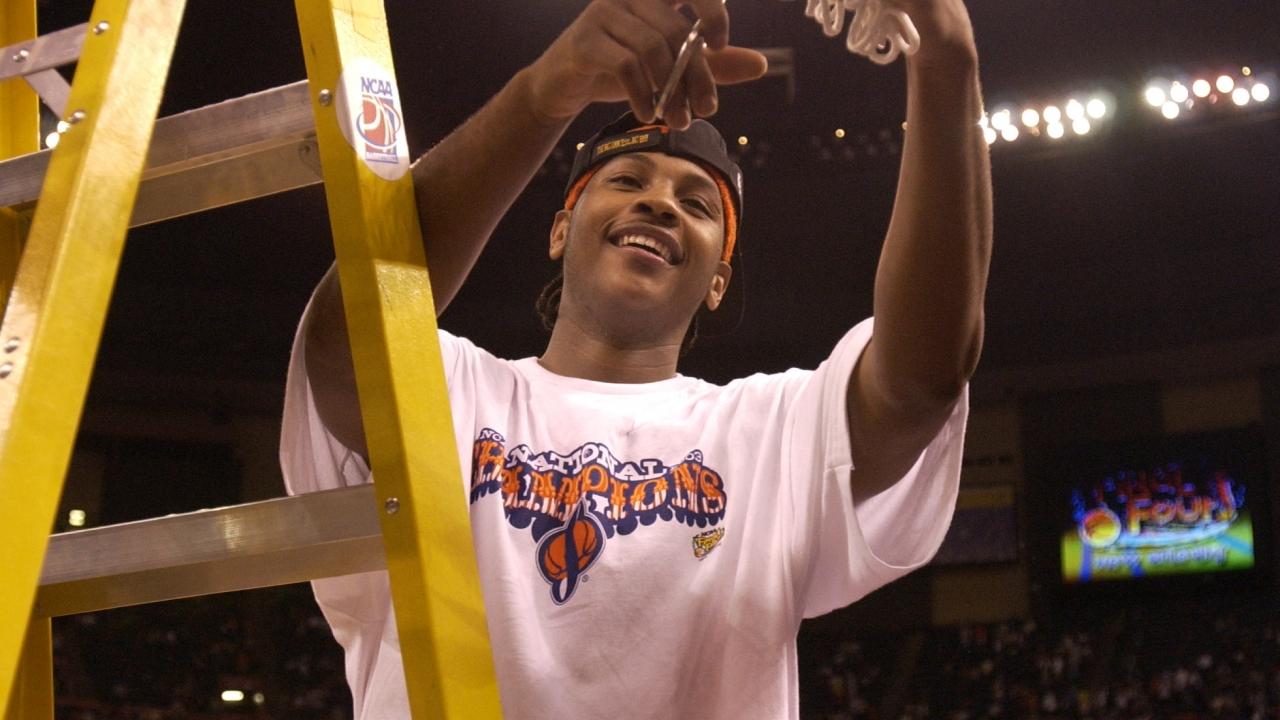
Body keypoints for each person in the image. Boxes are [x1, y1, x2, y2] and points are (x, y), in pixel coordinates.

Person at [280, 0, 992, 717]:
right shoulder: (452, 390)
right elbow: (353, 329)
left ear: (717, 282)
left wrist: (947, 59)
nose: (660, 203)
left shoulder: (768, 429)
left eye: (698, 203)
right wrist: (543, 94)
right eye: (626, 181)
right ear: (560, 230)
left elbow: (920, 382)